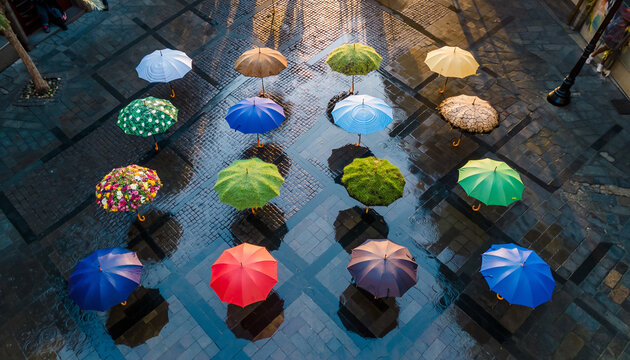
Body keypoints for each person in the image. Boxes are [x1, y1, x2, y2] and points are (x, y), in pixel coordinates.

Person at [587, 0, 630, 73]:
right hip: (612, 29)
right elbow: (623, 13)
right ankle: (593, 56)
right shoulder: (623, 5)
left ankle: (598, 60)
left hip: (620, 33)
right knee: (608, 47)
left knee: (610, 48)